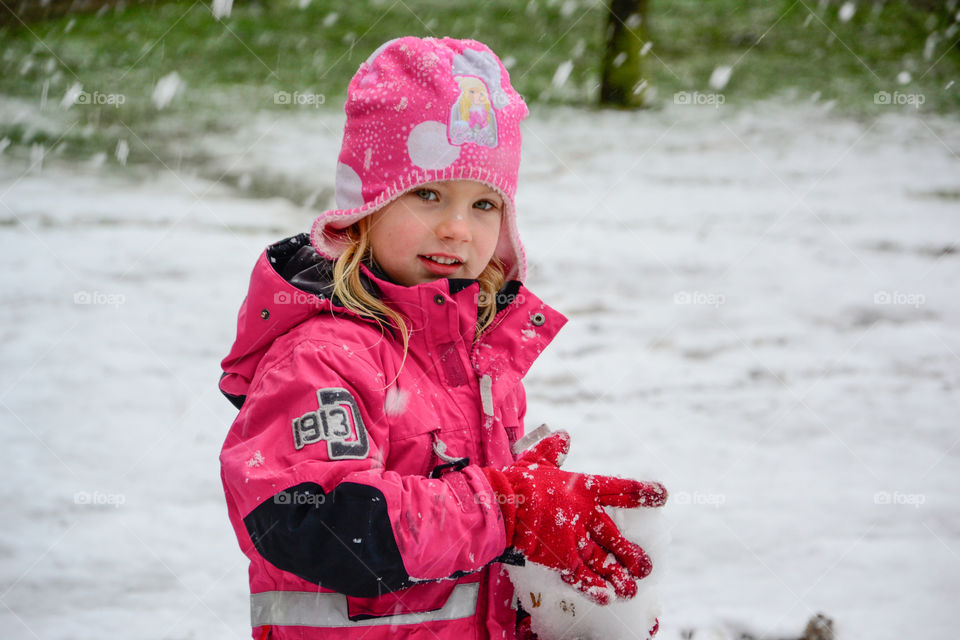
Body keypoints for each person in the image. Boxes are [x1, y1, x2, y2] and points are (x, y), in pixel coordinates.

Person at [218, 36, 667, 640]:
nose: (457, 228)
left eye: (485, 204)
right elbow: (313, 522)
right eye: (428, 194)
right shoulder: (323, 357)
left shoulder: (479, 362)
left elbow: (464, 558)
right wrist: (505, 507)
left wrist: (545, 593)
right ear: (365, 208)